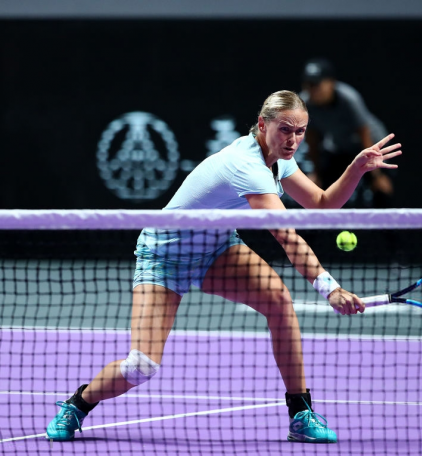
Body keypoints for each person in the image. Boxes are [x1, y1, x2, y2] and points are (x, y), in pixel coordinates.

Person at [45, 90, 401, 443]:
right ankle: (77, 404)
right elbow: (287, 238)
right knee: (141, 366)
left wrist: (355, 170)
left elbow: (322, 204)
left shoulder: (280, 157)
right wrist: (331, 289)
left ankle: (300, 413)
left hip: (215, 248)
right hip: (164, 255)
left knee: (279, 300)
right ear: (263, 125)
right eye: (285, 130)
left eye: (300, 131)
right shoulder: (247, 166)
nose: (293, 139)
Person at [300, 58, 394, 208]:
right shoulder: (306, 103)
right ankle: (324, 229)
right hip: (340, 147)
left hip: (371, 145)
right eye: (309, 85)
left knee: (380, 189)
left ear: (331, 83)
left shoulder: (349, 98)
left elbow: (364, 133)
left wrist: (377, 176)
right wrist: (316, 172)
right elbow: (312, 139)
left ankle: (389, 229)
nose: (313, 90)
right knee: (323, 187)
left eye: (317, 84)